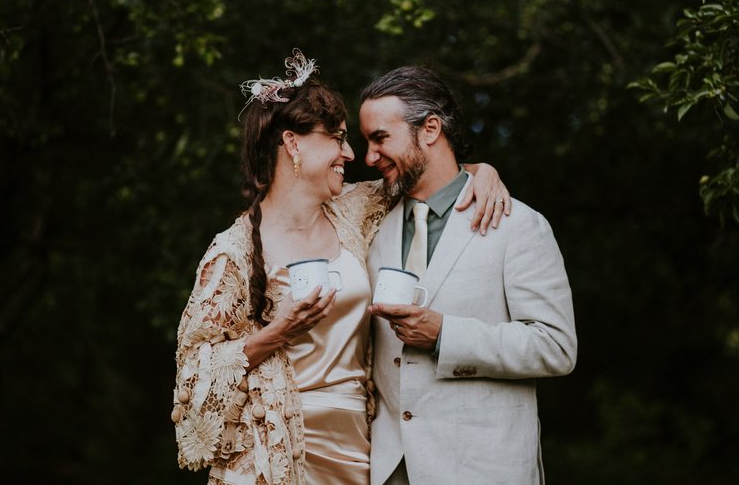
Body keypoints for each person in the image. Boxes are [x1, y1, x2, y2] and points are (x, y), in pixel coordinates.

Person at [173, 51, 510, 484]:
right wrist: (278, 333)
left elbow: (427, 174)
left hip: (358, 447)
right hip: (276, 447)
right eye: (337, 138)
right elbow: (195, 368)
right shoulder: (235, 251)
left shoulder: (357, 210)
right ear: (293, 143)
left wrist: (482, 171)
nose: (350, 153)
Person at [360, 66, 577, 485]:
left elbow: (556, 346)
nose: (369, 157)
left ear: (430, 129)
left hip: (484, 469)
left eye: (381, 138)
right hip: (390, 469)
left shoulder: (517, 225)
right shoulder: (370, 222)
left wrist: (445, 335)